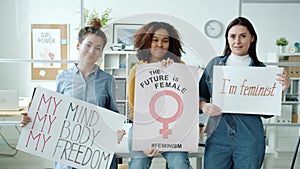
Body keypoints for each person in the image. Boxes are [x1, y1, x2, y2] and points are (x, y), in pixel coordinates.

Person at [20, 18, 126, 169]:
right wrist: (32, 120)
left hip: (97, 152)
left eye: (97, 48)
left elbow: (113, 115)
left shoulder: (107, 80)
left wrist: (118, 130)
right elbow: (53, 115)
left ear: (101, 52)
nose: (92, 51)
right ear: (78, 45)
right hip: (67, 152)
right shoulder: (62, 78)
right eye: (88, 45)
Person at [199, 16, 291, 169]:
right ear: (227, 39)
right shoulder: (215, 64)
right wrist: (203, 106)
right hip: (218, 135)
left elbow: (268, 113)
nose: (237, 41)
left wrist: (280, 91)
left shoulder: (262, 71)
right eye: (233, 36)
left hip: (250, 137)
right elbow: (201, 95)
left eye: (243, 36)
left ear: (252, 38)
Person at [127, 21, 190, 169]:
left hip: (174, 129)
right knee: (138, 164)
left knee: (180, 164)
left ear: (171, 44)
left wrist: (172, 70)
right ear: (147, 42)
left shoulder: (180, 67)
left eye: (165, 41)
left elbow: (188, 102)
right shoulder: (137, 70)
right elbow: (134, 111)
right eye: (155, 40)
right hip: (143, 128)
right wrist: (146, 139)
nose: (160, 44)